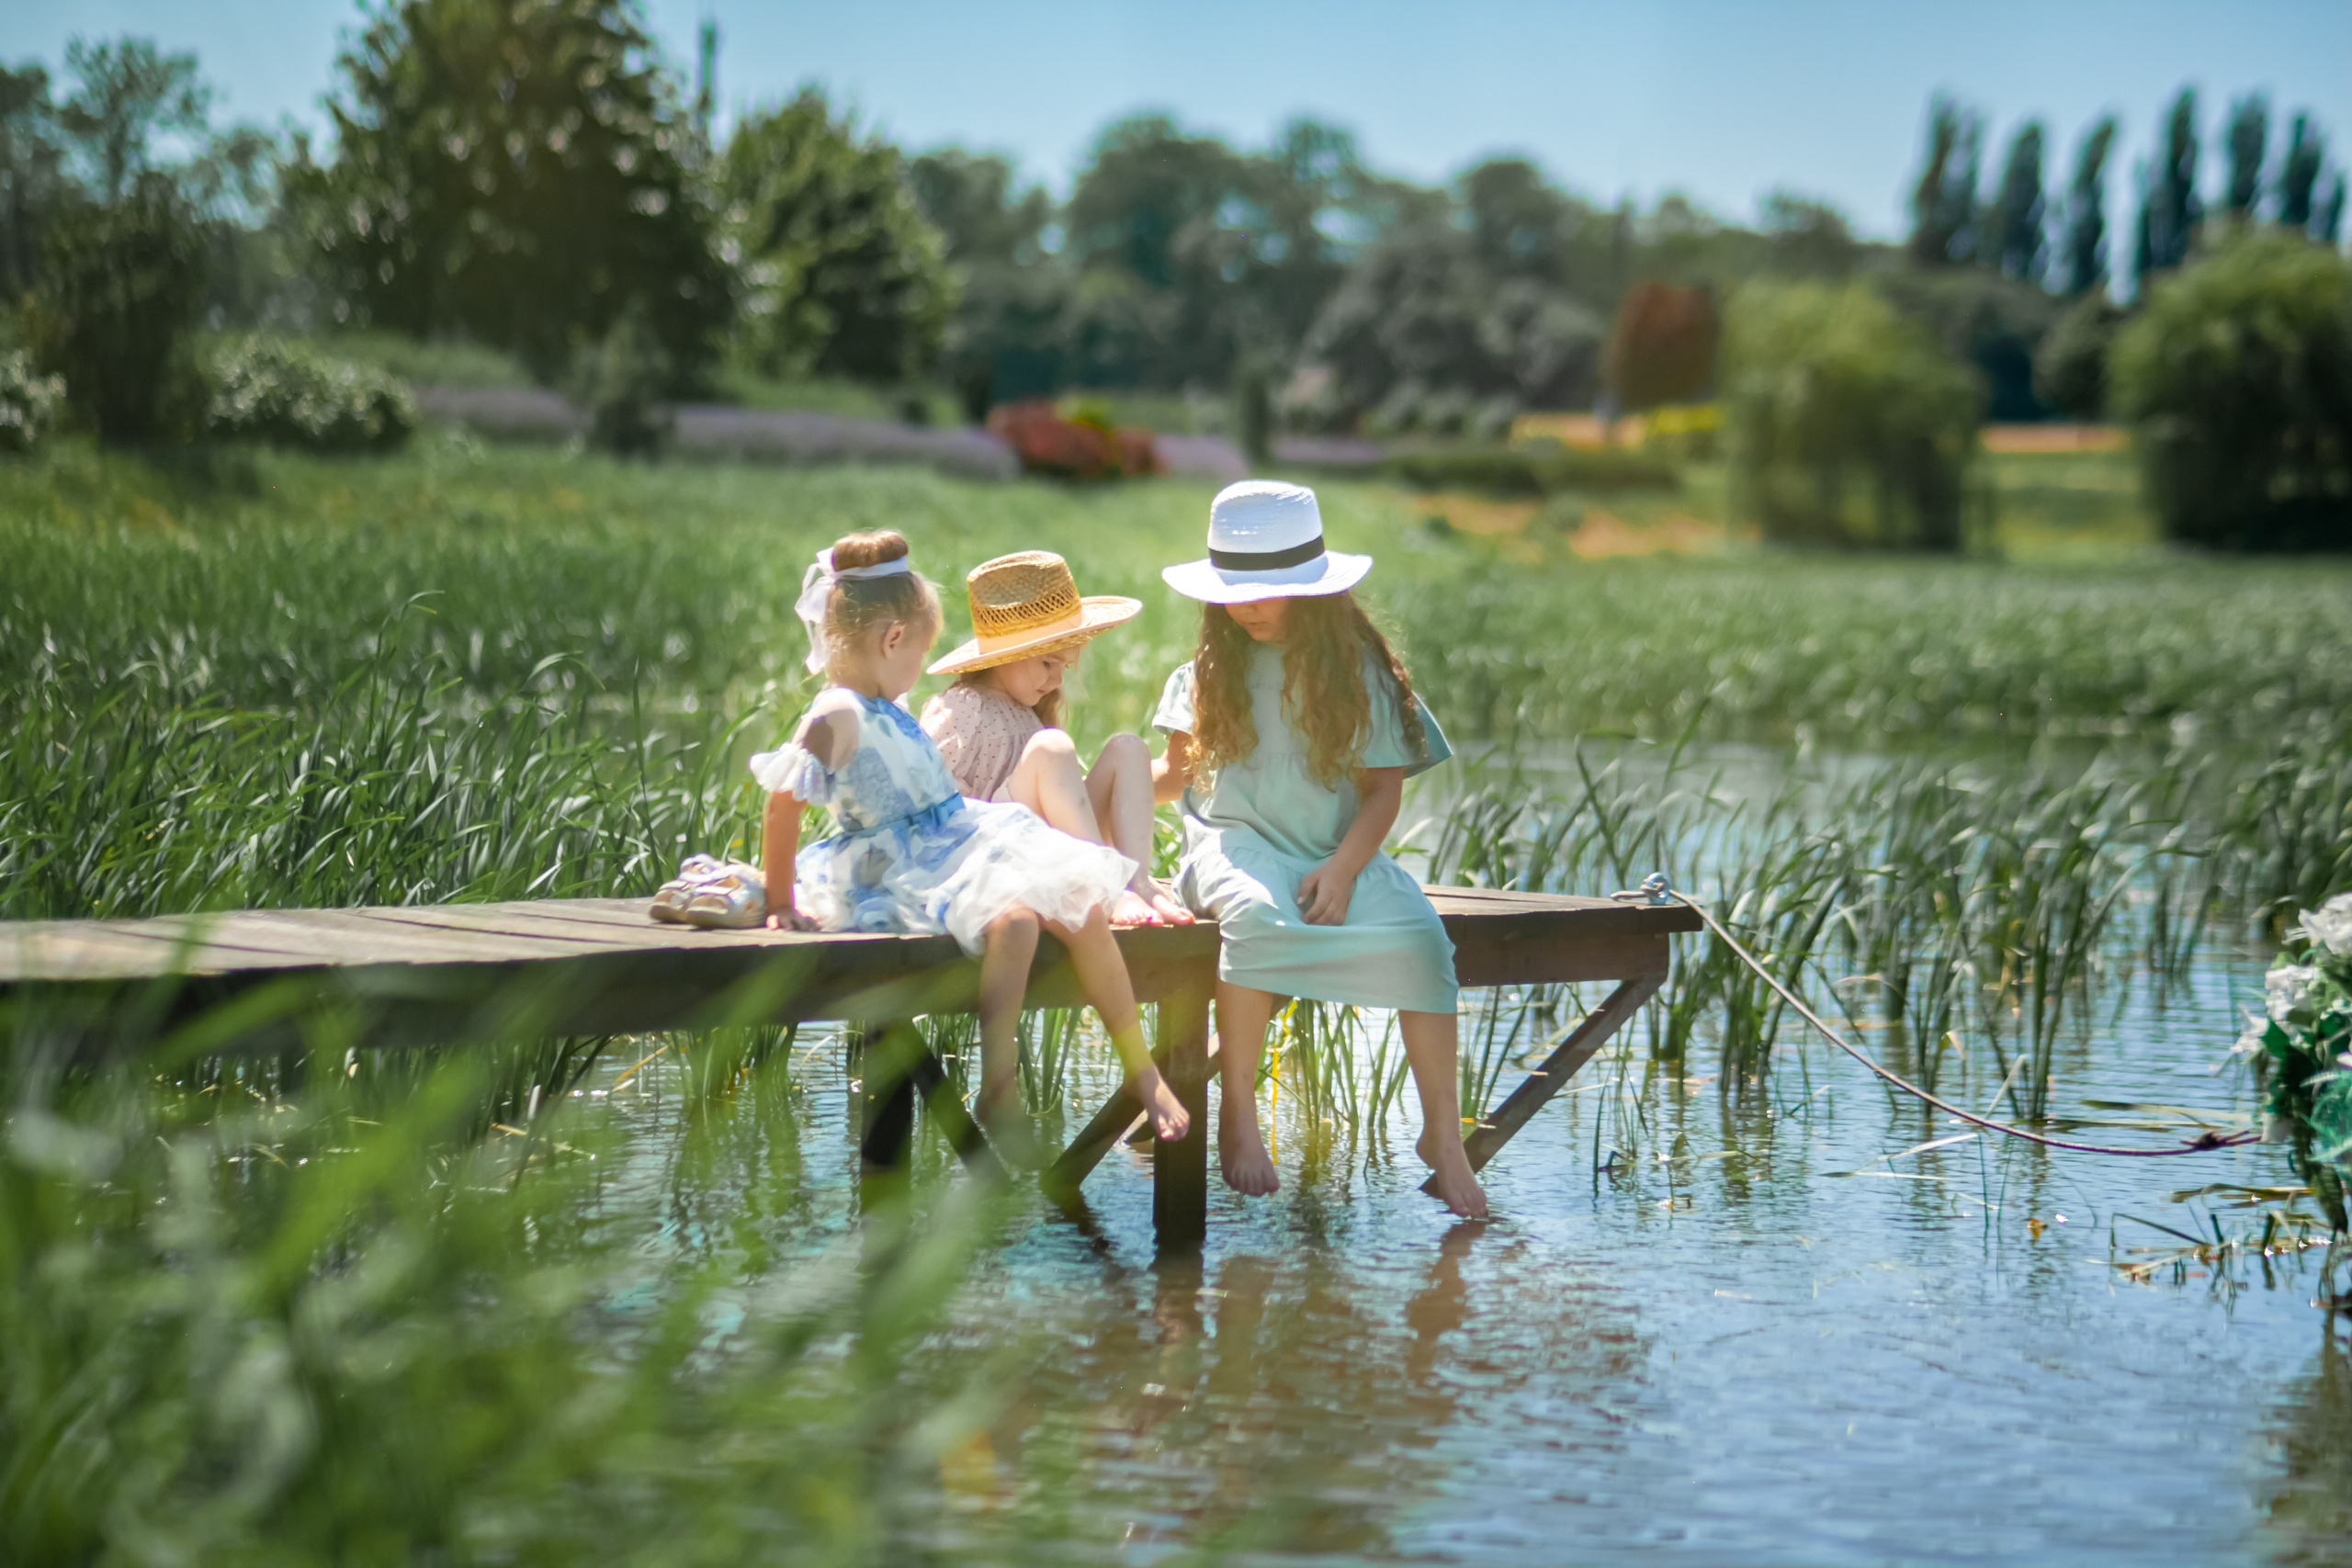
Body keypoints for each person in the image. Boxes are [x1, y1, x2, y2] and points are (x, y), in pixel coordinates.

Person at [754, 530, 1190, 1158]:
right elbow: (785, 799)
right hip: (905, 861)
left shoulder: (888, 709)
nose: (921, 674)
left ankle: (1142, 1072)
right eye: (921, 653)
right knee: (1014, 923)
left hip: (956, 838)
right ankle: (1000, 1082)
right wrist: (776, 896)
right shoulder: (838, 714)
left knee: (1081, 903)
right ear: (892, 640)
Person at [1149, 481, 1487, 1218]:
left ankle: (1442, 1134)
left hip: (1334, 852)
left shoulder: (1356, 675)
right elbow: (1173, 777)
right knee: (1258, 916)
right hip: (1233, 847)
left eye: (1268, 589)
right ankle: (1238, 1111)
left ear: (1312, 589)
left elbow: (1381, 793)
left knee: (1421, 938)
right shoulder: (1207, 674)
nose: (1249, 605)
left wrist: (1343, 868)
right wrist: (1086, 795)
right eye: (1235, 590)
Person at [920, 550, 1193, 927]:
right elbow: (928, 791)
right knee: (1052, 748)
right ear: (1004, 656)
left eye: (1064, 666)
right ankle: (1106, 888)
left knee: (1128, 747)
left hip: (1042, 842)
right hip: (990, 850)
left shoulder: (1030, 712)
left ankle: (1136, 881)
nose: (1057, 680)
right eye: (1047, 663)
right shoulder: (961, 705)